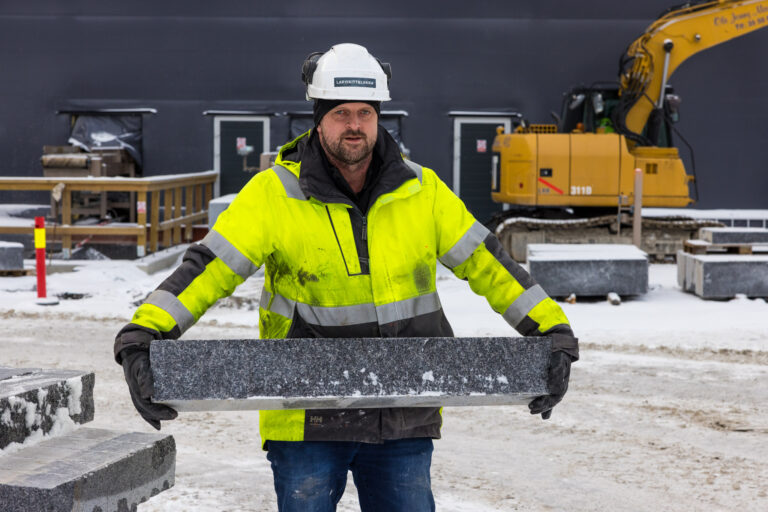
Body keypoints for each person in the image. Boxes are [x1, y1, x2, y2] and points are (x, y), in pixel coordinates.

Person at [114, 43, 579, 512]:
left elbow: (489, 264)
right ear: (318, 119)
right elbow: (207, 269)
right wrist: (145, 332)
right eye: (340, 113)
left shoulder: (423, 191)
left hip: (402, 411)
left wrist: (551, 329)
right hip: (306, 415)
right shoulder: (274, 195)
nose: (354, 125)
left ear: (379, 117)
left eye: (364, 113)